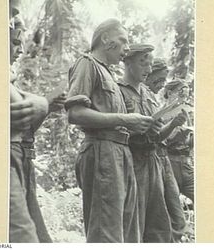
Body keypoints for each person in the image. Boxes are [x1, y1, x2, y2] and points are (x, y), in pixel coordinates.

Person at [65, 19, 154, 243]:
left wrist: (138, 125)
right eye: (123, 41)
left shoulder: (110, 77)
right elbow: (75, 114)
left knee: (127, 232)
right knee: (106, 234)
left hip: (121, 153)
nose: (126, 48)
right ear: (105, 39)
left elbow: (116, 121)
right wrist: (125, 119)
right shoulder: (87, 64)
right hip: (102, 152)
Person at [118, 44, 187, 242]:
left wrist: (173, 124)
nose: (148, 69)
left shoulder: (148, 95)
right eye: (143, 63)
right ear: (128, 63)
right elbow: (115, 131)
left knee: (157, 222)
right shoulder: (118, 91)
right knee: (134, 220)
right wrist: (137, 128)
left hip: (153, 161)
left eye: (150, 64)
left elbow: (156, 138)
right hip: (132, 162)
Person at [9, 2, 65, 242]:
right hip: (7, 160)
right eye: (14, 38)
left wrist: (45, 107)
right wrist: (42, 102)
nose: (19, 45)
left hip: (22, 159)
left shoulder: (9, 79)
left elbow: (21, 123)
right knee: (23, 235)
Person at [164, 80, 194, 203]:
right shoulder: (162, 112)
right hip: (169, 162)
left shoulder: (186, 111)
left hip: (186, 163)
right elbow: (157, 138)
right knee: (172, 205)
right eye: (181, 93)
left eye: (186, 95)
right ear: (170, 93)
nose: (184, 98)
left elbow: (190, 143)